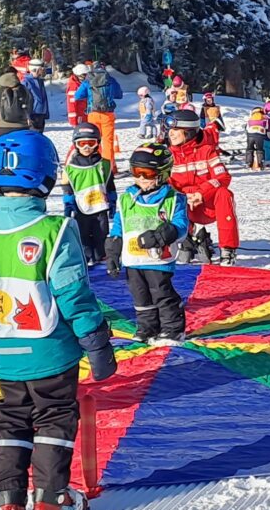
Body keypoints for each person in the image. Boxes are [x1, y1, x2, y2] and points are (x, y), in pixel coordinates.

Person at [0, 130, 118, 510]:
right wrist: (96, 341)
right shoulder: (55, 230)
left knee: (10, 419)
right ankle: (50, 500)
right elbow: (73, 294)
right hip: (50, 350)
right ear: (44, 174)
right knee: (53, 418)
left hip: (0, 347)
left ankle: (7, 505)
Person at [108, 143, 187, 344]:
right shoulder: (127, 199)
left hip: (157, 259)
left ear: (162, 174)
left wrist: (161, 235)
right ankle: (148, 327)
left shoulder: (173, 199)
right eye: (136, 172)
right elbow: (120, 223)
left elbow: (180, 225)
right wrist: (113, 247)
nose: (141, 178)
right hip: (133, 259)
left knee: (161, 292)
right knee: (140, 296)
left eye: (147, 173)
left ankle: (172, 328)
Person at [167, 109, 239, 265]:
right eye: (170, 130)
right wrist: (183, 196)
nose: (171, 134)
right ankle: (183, 241)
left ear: (188, 132)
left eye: (175, 130)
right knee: (163, 196)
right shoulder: (168, 156)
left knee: (224, 194)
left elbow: (223, 177)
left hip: (207, 204)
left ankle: (228, 250)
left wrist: (201, 193)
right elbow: (165, 183)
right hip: (183, 205)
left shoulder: (207, 152)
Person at [60, 124, 117, 269]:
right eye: (82, 144)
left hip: (99, 205)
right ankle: (86, 256)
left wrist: (112, 198)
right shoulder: (71, 168)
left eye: (91, 143)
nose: (86, 147)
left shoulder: (103, 164)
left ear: (97, 143)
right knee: (82, 233)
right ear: (76, 145)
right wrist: (68, 202)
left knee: (101, 232)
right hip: (81, 207)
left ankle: (99, 255)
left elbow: (109, 182)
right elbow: (67, 186)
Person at [78, 63, 124, 165]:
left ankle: (96, 164)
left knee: (94, 140)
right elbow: (119, 95)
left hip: (93, 114)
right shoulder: (110, 80)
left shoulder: (88, 81)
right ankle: (109, 167)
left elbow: (78, 95)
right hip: (107, 114)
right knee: (108, 142)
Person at [0, 70, 31, 139]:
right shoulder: (23, 89)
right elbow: (30, 106)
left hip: (2, 127)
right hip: (22, 126)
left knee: (1, 147)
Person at [24, 59, 51, 131]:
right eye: (41, 69)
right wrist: (27, 116)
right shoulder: (26, 82)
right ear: (34, 69)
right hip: (33, 114)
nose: (43, 71)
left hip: (40, 114)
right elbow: (23, 100)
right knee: (33, 136)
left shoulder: (40, 81)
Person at [244, 106, 269, 171]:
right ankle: (261, 164)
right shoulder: (264, 119)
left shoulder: (250, 119)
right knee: (260, 149)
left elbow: (246, 128)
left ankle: (249, 163)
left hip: (250, 135)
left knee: (249, 149)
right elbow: (266, 128)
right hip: (260, 135)